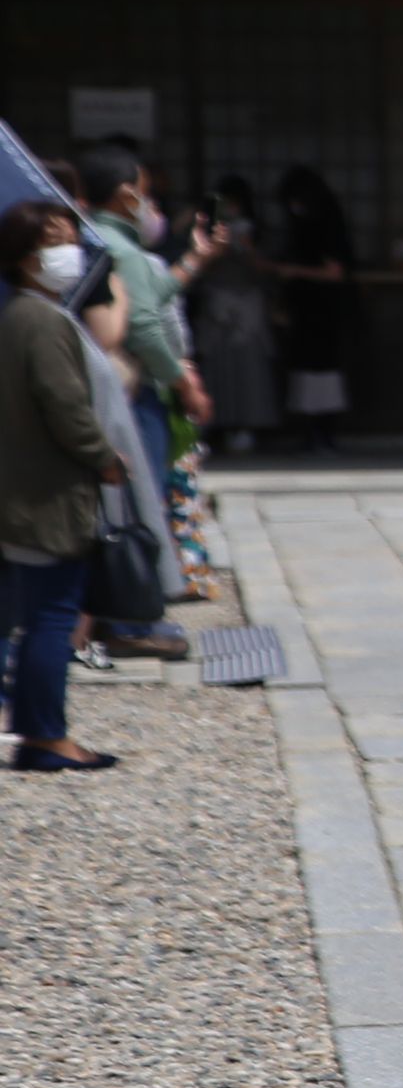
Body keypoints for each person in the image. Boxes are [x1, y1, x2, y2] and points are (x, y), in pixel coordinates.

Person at [1, 197, 124, 770]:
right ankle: (47, 735)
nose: (67, 249)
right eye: (53, 240)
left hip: (26, 492)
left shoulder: (20, 316)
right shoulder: (42, 320)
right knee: (54, 616)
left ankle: (38, 732)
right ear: (25, 258)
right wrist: (103, 457)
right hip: (49, 495)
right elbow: (66, 406)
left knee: (36, 616)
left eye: (70, 236)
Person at [71, 145, 197, 660]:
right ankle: (127, 619)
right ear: (127, 197)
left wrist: (194, 261)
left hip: (115, 391)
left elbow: (156, 295)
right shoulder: (116, 249)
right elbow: (137, 326)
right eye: (145, 196)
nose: (150, 206)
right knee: (133, 506)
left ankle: (115, 616)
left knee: (124, 504)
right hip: (128, 392)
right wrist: (184, 381)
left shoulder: (102, 241)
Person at [176, 178, 278, 451]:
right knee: (215, 367)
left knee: (248, 368)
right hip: (216, 305)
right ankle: (211, 424)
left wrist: (246, 247)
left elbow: (264, 268)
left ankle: (247, 425)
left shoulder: (255, 230)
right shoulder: (206, 230)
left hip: (247, 307)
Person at [268, 165, 358, 449]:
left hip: (324, 309)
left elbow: (335, 272)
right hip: (305, 309)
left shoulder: (327, 224)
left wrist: (294, 271)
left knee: (322, 371)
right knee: (307, 372)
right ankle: (312, 430)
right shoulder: (307, 224)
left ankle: (323, 431)